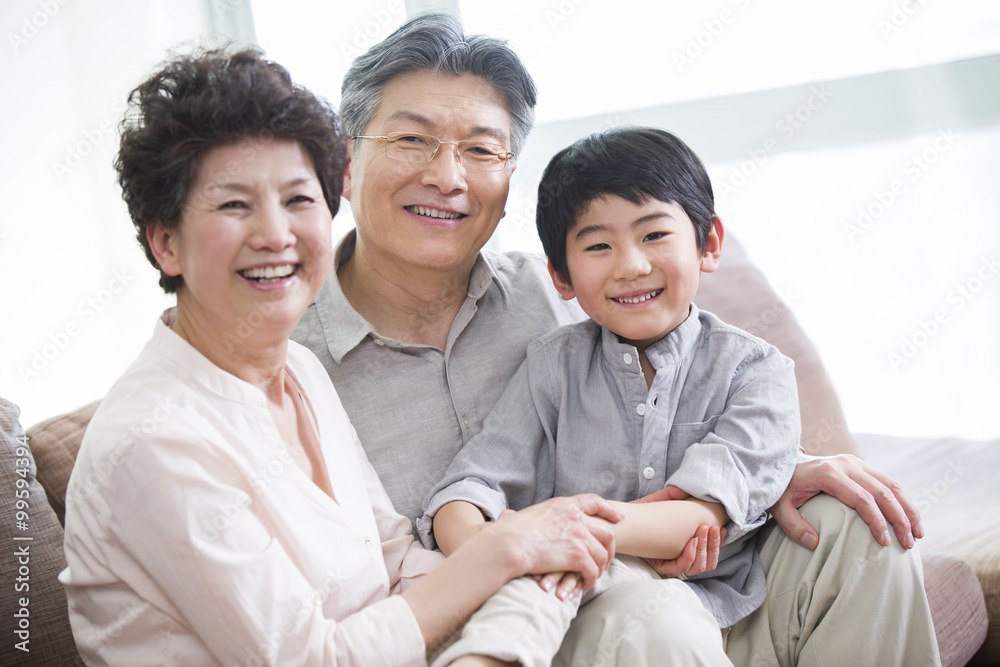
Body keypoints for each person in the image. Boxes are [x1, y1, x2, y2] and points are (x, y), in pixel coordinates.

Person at [292, 12, 940, 666]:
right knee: (651, 617)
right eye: (413, 139)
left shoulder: (555, 291)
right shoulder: (287, 361)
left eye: (481, 149)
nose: (448, 176)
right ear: (347, 162)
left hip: (686, 577)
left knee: (860, 530)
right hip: (531, 624)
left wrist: (777, 468)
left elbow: (660, 403)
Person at [59, 46, 625, 666]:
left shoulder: (294, 371)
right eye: (233, 204)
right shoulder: (153, 442)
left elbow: (394, 558)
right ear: (166, 244)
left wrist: (537, 589)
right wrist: (507, 549)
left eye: (298, 200)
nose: (276, 235)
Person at [421, 126, 801, 665]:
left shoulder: (755, 369)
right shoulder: (553, 366)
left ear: (707, 244)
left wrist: (555, 527)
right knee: (612, 601)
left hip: (728, 603)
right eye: (598, 245)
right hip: (595, 602)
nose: (631, 265)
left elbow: (696, 519)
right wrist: (497, 546)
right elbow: (466, 488)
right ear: (561, 274)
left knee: (859, 535)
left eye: (654, 235)